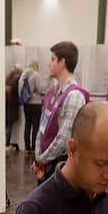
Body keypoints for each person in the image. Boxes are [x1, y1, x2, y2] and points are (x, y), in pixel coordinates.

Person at [35, 41, 88, 181]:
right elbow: (42, 128)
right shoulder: (51, 93)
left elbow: (64, 139)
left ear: (62, 63)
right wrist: (38, 157)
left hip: (60, 168)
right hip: (46, 165)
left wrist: (41, 159)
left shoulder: (74, 96)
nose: (49, 64)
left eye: (52, 59)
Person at [21, 61, 45, 153]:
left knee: (27, 125)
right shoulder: (36, 75)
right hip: (36, 103)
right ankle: (34, 147)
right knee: (35, 126)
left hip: (26, 103)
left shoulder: (24, 75)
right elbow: (39, 89)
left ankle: (27, 147)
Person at [5, 66, 23, 149]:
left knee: (6, 125)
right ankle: (7, 144)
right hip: (12, 106)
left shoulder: (7, 80)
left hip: (6, 105)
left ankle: (5, 143)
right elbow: (18, 92)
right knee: (9, 126)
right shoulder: (17, 80)